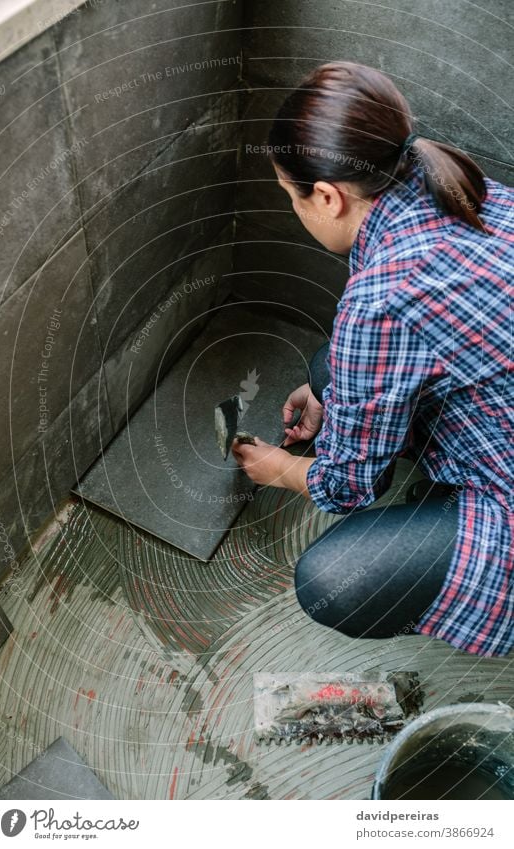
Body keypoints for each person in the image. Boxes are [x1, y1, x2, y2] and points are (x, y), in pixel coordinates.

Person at [232, 62, 513, 657]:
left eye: (292, 197)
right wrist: (337, 393)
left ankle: (464, 539)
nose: (295, 209)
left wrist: (279, 468)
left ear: (329, 197)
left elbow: (350, 485)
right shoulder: (469, 194)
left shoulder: (382, 298)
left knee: (335, 584)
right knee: (328, 367)